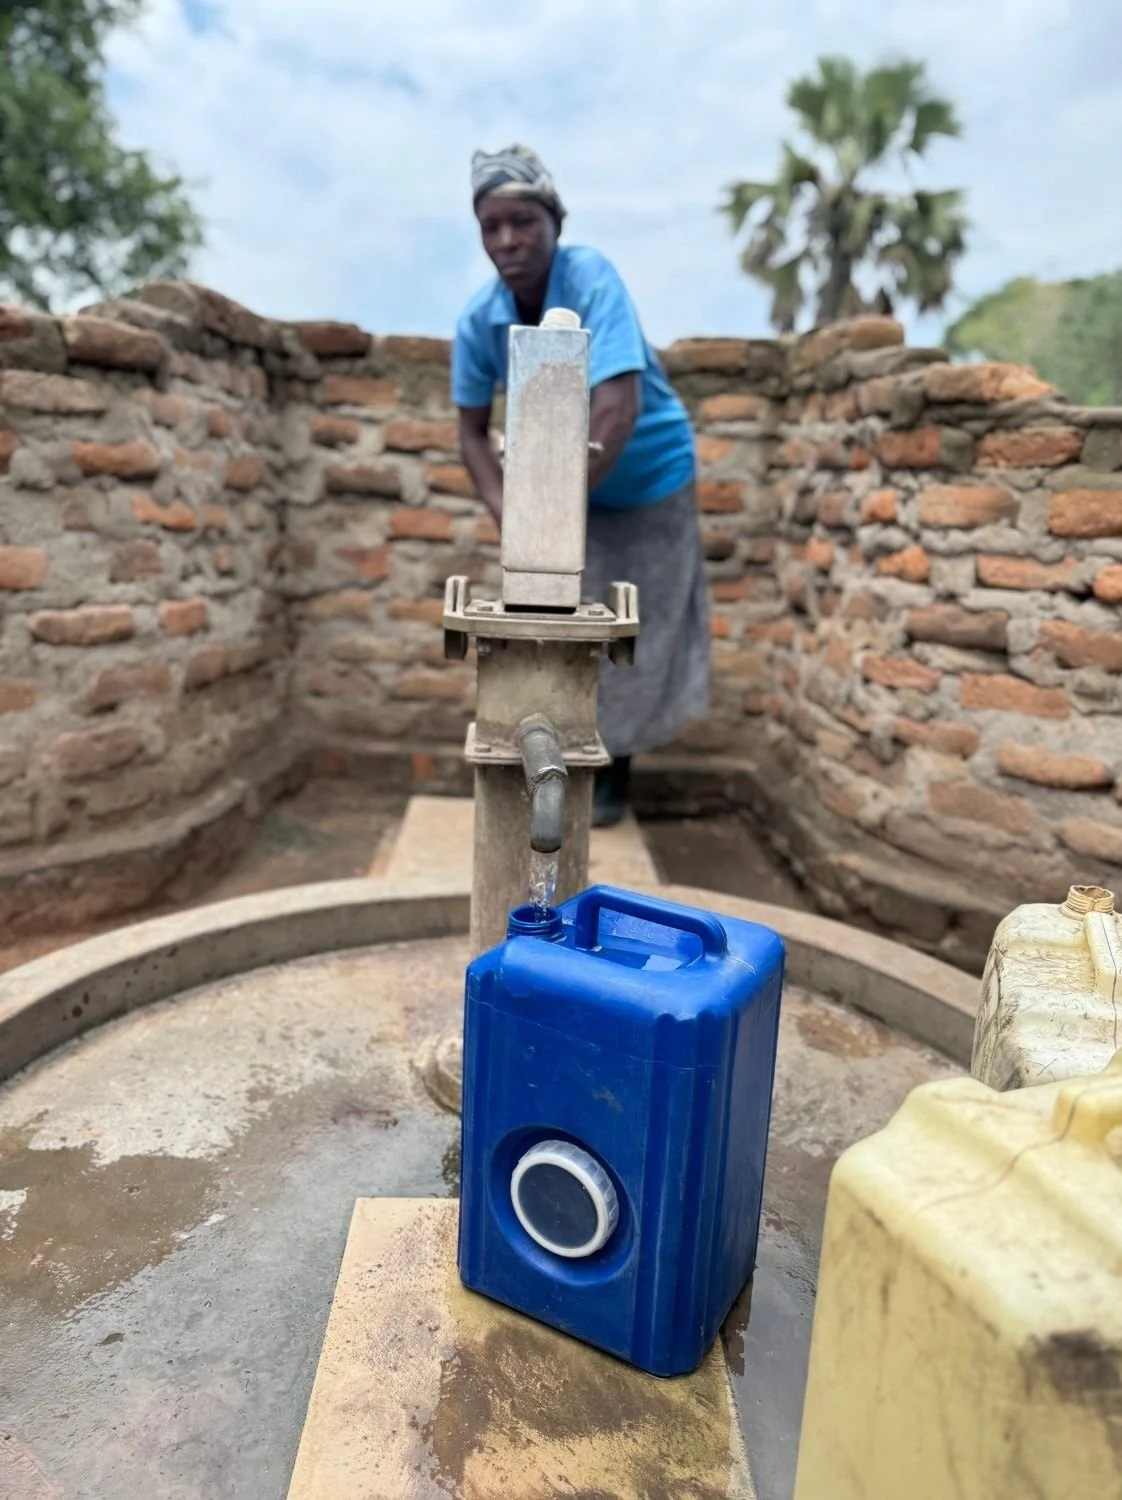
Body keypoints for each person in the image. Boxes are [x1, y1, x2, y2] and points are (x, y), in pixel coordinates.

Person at [452, 144, 709, 827]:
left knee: (629, 629)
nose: (508, 240)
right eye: (492, 226)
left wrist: (551, 513)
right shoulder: (480, 322)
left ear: (554, 222)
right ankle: (552, 765)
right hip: (562, 489)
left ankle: (612, 777)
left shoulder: (591, 277)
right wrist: (516, 517)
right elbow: (471, 436)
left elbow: (616, 406)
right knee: (559, 623)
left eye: (523, 222)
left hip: (649, 477)